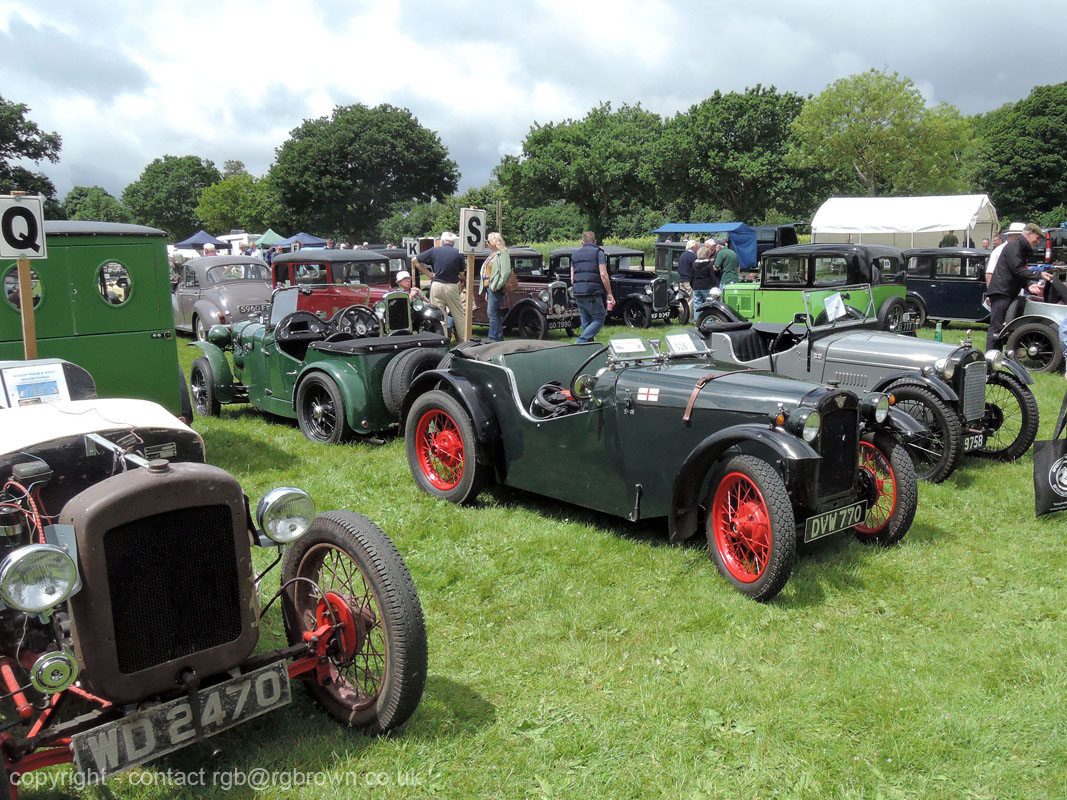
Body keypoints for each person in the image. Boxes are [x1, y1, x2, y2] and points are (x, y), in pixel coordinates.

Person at [987, 223, 1052, 341]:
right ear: (1029, 234)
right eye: (1037, 238)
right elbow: (1017, 270)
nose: (1037, 242)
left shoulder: (1020, 249)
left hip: (1008, 292)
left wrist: (1029, 285)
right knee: (996, 328)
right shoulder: (1013, 247)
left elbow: (1018, 273)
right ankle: (990, 356)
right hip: (1001, 292)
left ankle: (1002, 355)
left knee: (1004, 328)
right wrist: (1040, 275)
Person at [411, 231, 466, 342]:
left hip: (436, 285)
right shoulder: (458, 253)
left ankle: (442, 341)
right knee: (459, 315)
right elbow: (461, 273)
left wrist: (428, 273)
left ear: (442, 241)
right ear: (453, 242)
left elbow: (415, 260)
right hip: (451, 286)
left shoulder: (434, 251)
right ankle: (465, 340)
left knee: (439, 316)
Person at [571, 231, 613, 344]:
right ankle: (579, 343)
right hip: (593, 292)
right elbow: (603, 274)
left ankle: (587, 350)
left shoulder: (574, 255)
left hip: (578, 292)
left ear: (582, 242)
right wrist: (609, 293)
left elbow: (572, 278)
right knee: (599, 319)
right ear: (595, 241)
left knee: (586, 323)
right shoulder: (598, 253)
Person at [482, 231, 512, 342]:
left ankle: (493, 338)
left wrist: (497, 286)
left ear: (495, 242)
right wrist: (486, 290)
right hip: (489, 288)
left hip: (495, 289)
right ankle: (498, 338)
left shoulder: (502, 254)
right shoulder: (492, 255)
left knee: (492, 314)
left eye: (488, 242)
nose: (487, 244)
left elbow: (505, 272)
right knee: (493, 314)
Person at [985, 224, 1024, 288]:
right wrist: (990, 294)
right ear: (1011, 236)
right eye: (1019, 237)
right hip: (1001, 292)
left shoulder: (1020, 251)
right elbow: (989, 274)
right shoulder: (999, 251)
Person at [690, 245, 716, 310]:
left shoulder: (694, 264)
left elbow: (691, 277)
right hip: (706, 286)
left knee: (697, 306)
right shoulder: (709, 264)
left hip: (696, 286)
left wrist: (693, 285)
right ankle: (708, 320)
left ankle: (697, 320)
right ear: (707, 254)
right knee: (708, 304)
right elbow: (712, 277)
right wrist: (713, 285)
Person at [677, 239, 698, 315]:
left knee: (682, 299)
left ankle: (681, 315)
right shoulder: (693, 256)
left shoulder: (682, 255)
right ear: (693, 247)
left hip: (681, 280)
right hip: (689, 280)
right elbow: (695, 269)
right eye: (697, 246)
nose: (698, 248)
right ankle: (688, 317)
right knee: (690, 299)